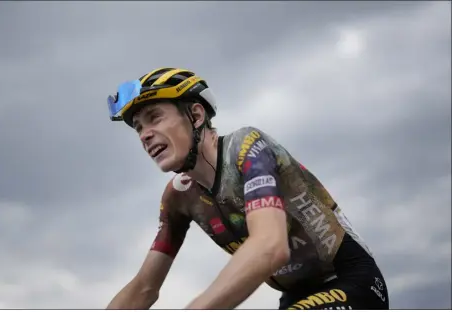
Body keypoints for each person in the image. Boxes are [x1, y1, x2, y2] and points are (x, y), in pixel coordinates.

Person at [105, 67, 389, 310]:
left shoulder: (246, 148)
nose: (144, 134)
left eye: (155, 117)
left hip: (351, 280)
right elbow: (144, 288)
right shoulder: (178, 197)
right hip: (294, 297)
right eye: (139, 127)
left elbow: (270, 246)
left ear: (196, 114)